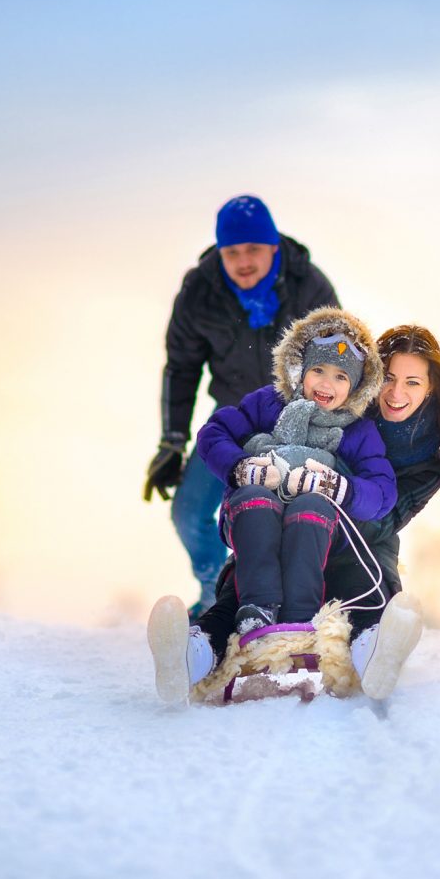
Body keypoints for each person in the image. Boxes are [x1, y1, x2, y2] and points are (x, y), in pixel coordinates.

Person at [147, 306, 397, 702]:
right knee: (255, 497)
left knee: (310, 504)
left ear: (357, 387)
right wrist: (240, 467)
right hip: (253, 518)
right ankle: (222, 634)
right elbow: (215, 432)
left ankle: (299, 619)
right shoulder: (268, 403)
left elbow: (382, 491)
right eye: (319, 370)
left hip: (318, 533)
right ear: (300, 369)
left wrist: (339, 487)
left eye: (341, 376)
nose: (326, 384)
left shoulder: (357, 431)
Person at [143, 195, 339, 618]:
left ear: (272, 246)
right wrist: (172, 441)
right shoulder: (200, 291)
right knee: (189, 512)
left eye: (253, 249)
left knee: (292, 514)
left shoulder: (309, 285)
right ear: (220, 253)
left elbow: (340, 360)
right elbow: (181, 368)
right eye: (232, 252)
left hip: (299, 422)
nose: (243, 261)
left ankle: (303, 604)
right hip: (234, 422)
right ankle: (218, 590)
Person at [325, 323, 440, 697]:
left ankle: (375, 648)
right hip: (306, 512)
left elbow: (386, 520)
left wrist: (336, 518)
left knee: (377, 570)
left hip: (365, 537)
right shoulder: (345, 413)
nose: (396, 393)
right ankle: (204, 641)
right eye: (390, 378)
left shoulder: (429, 462)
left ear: (430, 389)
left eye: (412, 382)